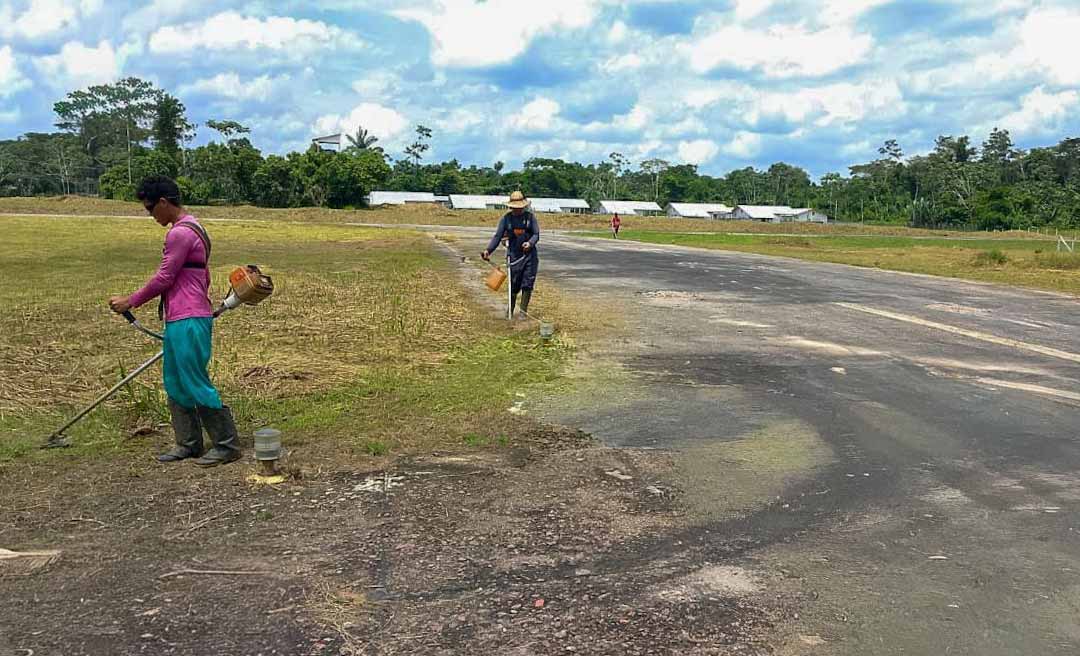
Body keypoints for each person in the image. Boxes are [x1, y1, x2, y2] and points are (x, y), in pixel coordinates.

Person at [108, 176, 241, 467]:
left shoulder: (180, 233)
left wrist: (130, 301)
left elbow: (165, 277)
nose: (150, 214)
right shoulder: (193, 228)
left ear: (164, 202)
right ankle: (189, 443)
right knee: (175, 381)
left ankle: (226, 444)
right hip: (181, 316)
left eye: (150, 208)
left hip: (189, 317)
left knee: (193, 379)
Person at [482, 190, 539, 320]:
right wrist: (488, 250)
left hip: (529, 256)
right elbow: (497, 236)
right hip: (514, 256)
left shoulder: (530, 218)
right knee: (514, 284)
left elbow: (536, 234)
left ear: (524, 206)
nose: (516, 210)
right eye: (514, 208)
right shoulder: (506, 219)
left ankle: (523, 312)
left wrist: (530, 243)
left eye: (519, 208)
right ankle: (510, 310)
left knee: (527, 283)